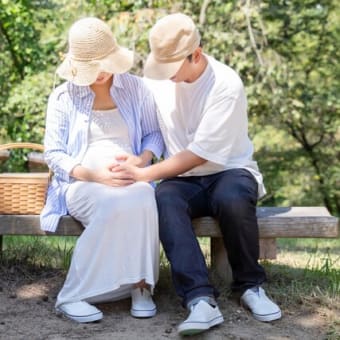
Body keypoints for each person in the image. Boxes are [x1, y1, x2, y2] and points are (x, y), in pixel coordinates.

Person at [113, 13, 281, 336]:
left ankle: (250, 286)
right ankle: (199, 298)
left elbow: (199, 154)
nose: (167, 76)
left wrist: (143, 174)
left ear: (197, 55)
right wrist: (141, 157)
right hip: (182, 179)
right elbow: (152, 129)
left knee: (231, 199)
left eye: (173, 68)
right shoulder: (158, 80)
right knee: (164, 199)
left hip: (228, 169)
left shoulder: (226, 85)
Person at [40, 17, 164, 323]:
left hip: (131, 176)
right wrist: (97, 176)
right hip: (82, 181)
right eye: (91, 68)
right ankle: (74, 294)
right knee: (112, 203)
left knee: (145, 197)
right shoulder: (63, 97)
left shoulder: (136, 88)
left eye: (104, 65)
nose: (100, 73)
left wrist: (141, 160)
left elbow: (154, 134)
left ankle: (140, 285)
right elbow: (53, 154)